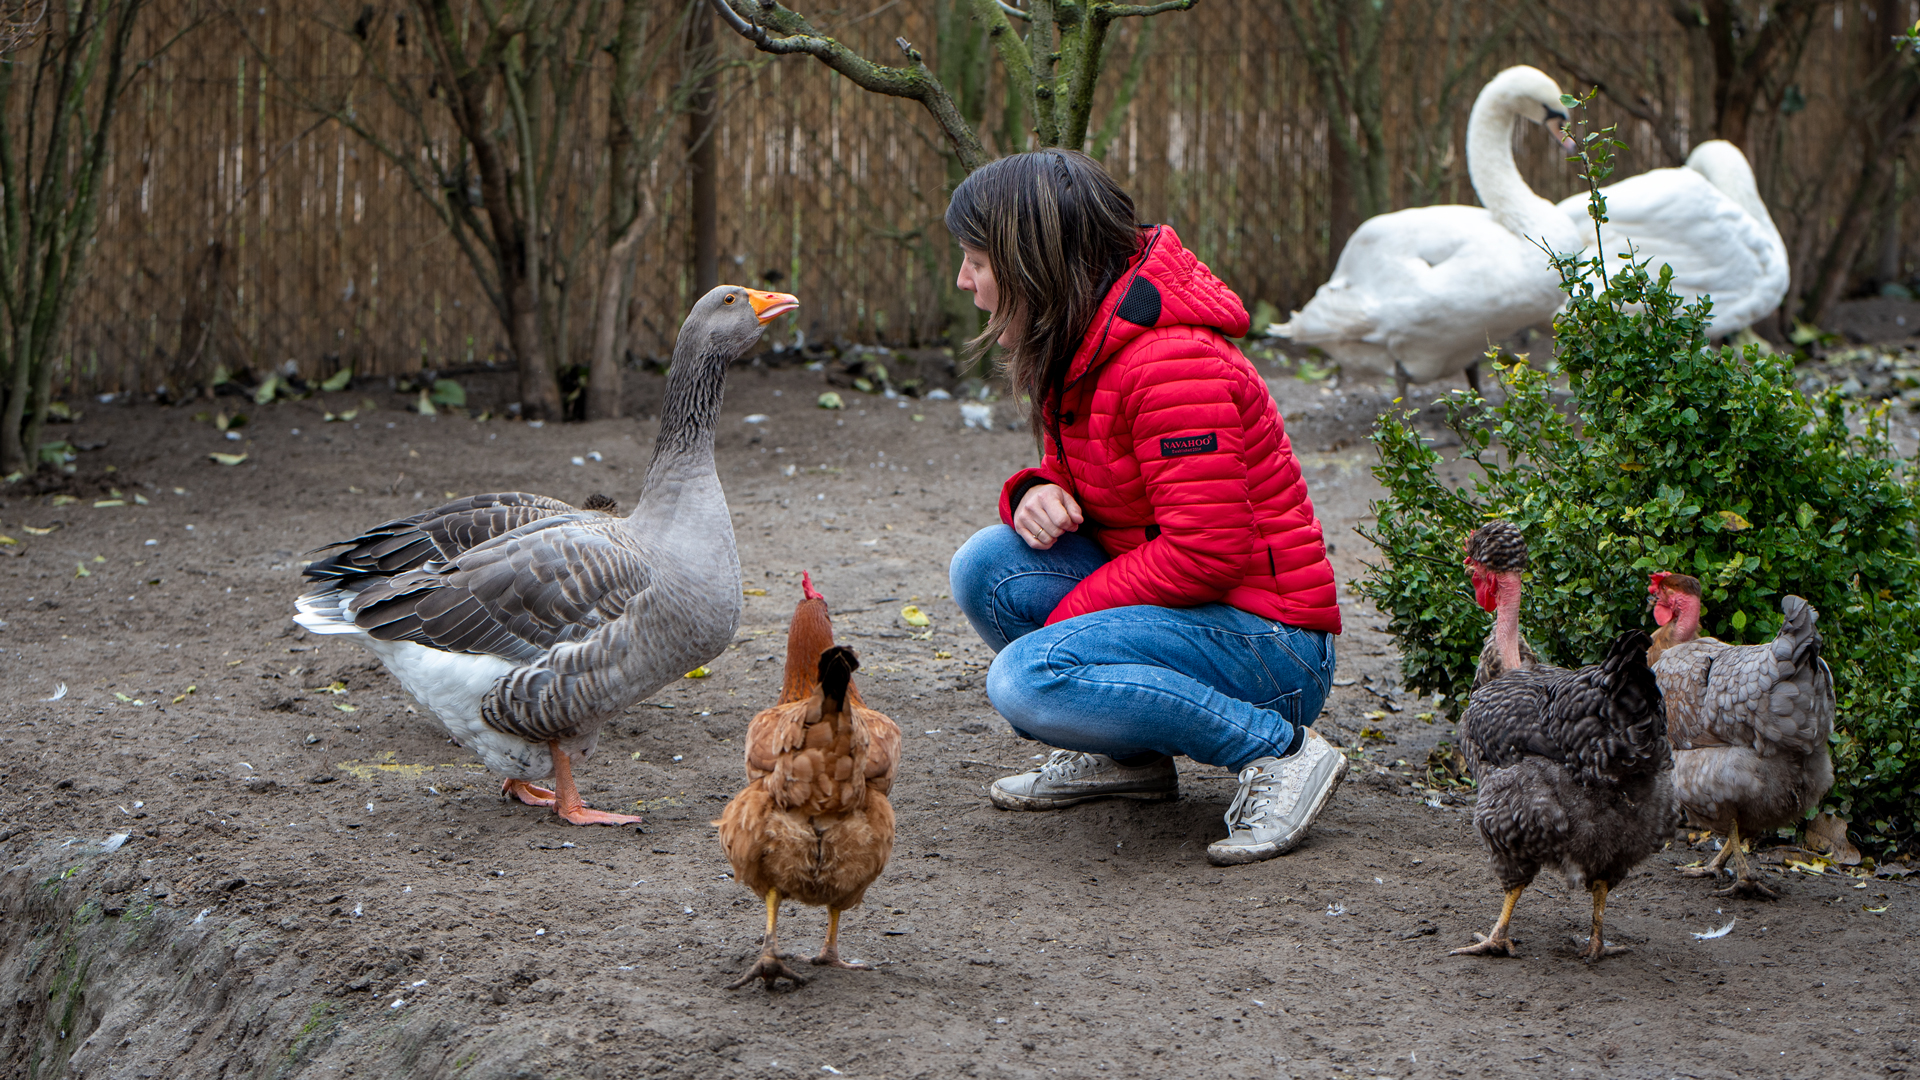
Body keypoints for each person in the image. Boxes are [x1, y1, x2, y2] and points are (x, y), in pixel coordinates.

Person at [945, 150, 1346, 866]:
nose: (964, 280)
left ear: (1031, 259)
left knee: (1027, 678)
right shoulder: (1084, 341)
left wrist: (1067, 631)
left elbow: (1208, 549)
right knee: (988, 566)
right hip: (1194, 614)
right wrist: (1035, 493)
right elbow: (1097, 483)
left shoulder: (1171, 363)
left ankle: (1282, 753)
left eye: (976, 260)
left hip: (1273, 649)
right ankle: (1127, 760)